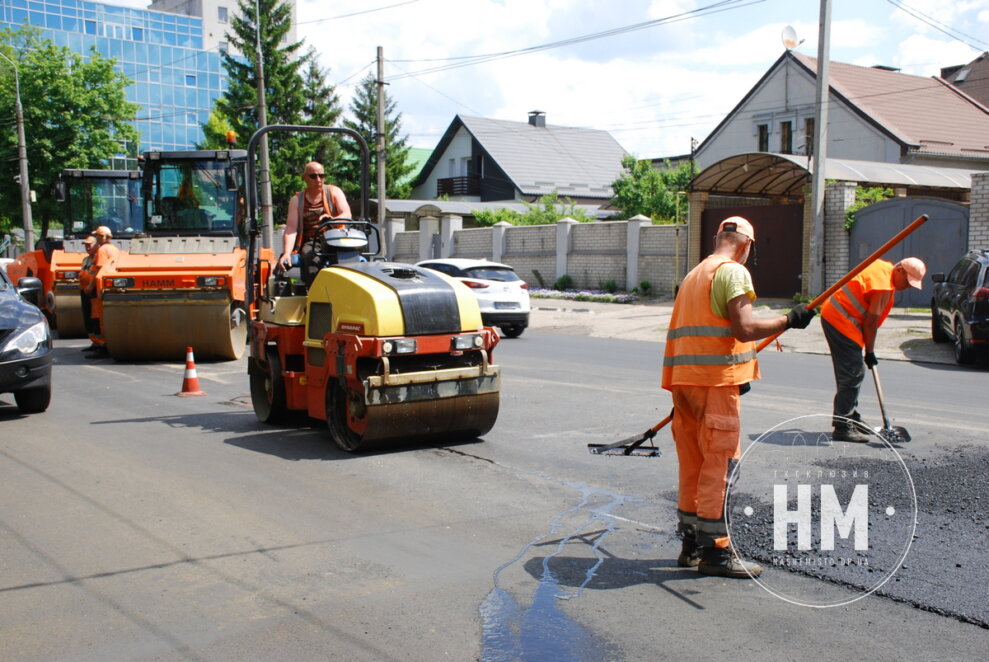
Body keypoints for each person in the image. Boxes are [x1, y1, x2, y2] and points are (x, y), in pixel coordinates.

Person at [662, 216, 816, 578]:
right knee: (720, 466)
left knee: (694, 464)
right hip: (713, 386)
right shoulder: (732, 273)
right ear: (747, 245)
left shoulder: (695, 274)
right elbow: (744, 328)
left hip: (686, 384)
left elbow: (710, 334)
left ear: (719, 238)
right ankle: (715, 553)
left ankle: (690, 545)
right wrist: (788, 319)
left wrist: (737, 372)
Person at [820, 256, 926, 442]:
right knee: (854, 373)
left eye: (912, 284)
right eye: (908, 281)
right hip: (840, 320)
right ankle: (842, 426)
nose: (908, 287)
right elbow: (871, 323)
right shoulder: (883, 285)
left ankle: (850, 416)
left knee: (851, 372)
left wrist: (868, 351)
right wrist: (870, 352)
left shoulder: (884, 269)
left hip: (840, 318)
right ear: (899, 269)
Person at [278, 161, 352, 288]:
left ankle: (347, 293)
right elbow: (291, 228)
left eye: (322, 176)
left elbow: (347, 214)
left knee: (347, 259)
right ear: (304, 178)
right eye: (313, 176)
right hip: (312, 241)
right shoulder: (297, 200)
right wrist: (286, 253)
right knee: (310, 257)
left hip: (336, 238)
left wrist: (332, 220)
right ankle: (315, 293)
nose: (318, 179)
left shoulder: (334, 192)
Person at [84, 226, 120, 356]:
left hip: (98, 288)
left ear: (102, 237)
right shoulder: (114, 249)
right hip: (107, 287)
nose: (96, 238)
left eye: (98, 236)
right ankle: (99, 343)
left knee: (97, 317)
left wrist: (90, 286)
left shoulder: (102, 250)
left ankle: (101, 346)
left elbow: (98, 270)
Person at [78, 235, 99, 351]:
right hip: (84, 291)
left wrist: (91, 286)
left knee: (95, 317)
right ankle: (93, 342)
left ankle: (100, 343)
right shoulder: (85, 260)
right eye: (86, 245)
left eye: (89, 245)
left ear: (96, 245)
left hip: (93, 292)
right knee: (87, 318)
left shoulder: (97, 259)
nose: (87, 247)